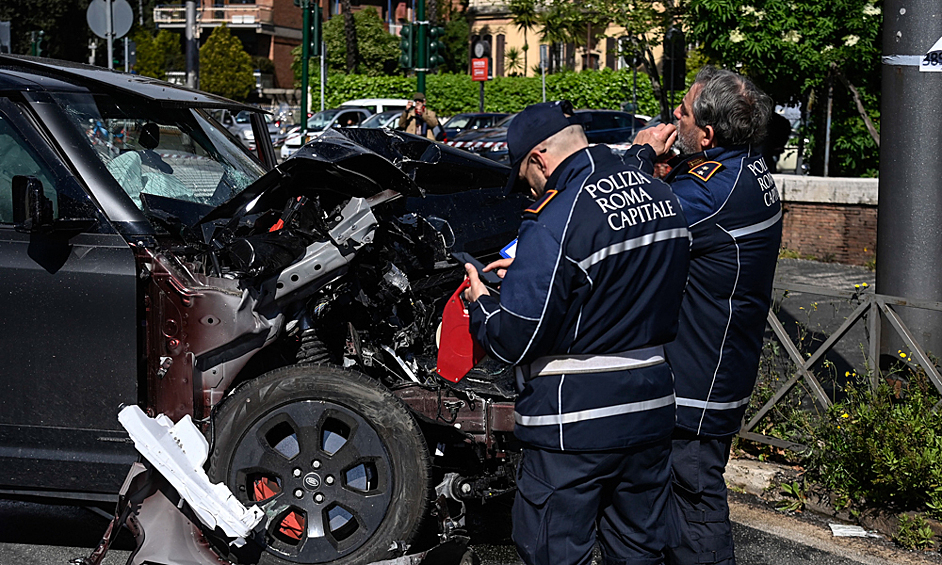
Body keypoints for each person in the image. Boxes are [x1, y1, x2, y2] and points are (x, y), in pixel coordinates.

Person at [463, 100, 691, 565]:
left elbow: (515, 339)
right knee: (639, 551)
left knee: (556, 552)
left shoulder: (553, 217)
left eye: (528, 179)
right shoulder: (660, 194)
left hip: (574, 424)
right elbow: (611, 272)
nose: (531, 191)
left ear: (539, 158)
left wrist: (482, 302)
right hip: (649, 409)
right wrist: (535, 270)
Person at [628, 66, 783, 565]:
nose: (673, 115)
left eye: (683, 111)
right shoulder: (747, 167)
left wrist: (640, 156)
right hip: (722, 360)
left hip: (700, 378)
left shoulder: (709, 192)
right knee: (677, 501)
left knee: (695, 502)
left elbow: (628, 216)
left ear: (708, 133)